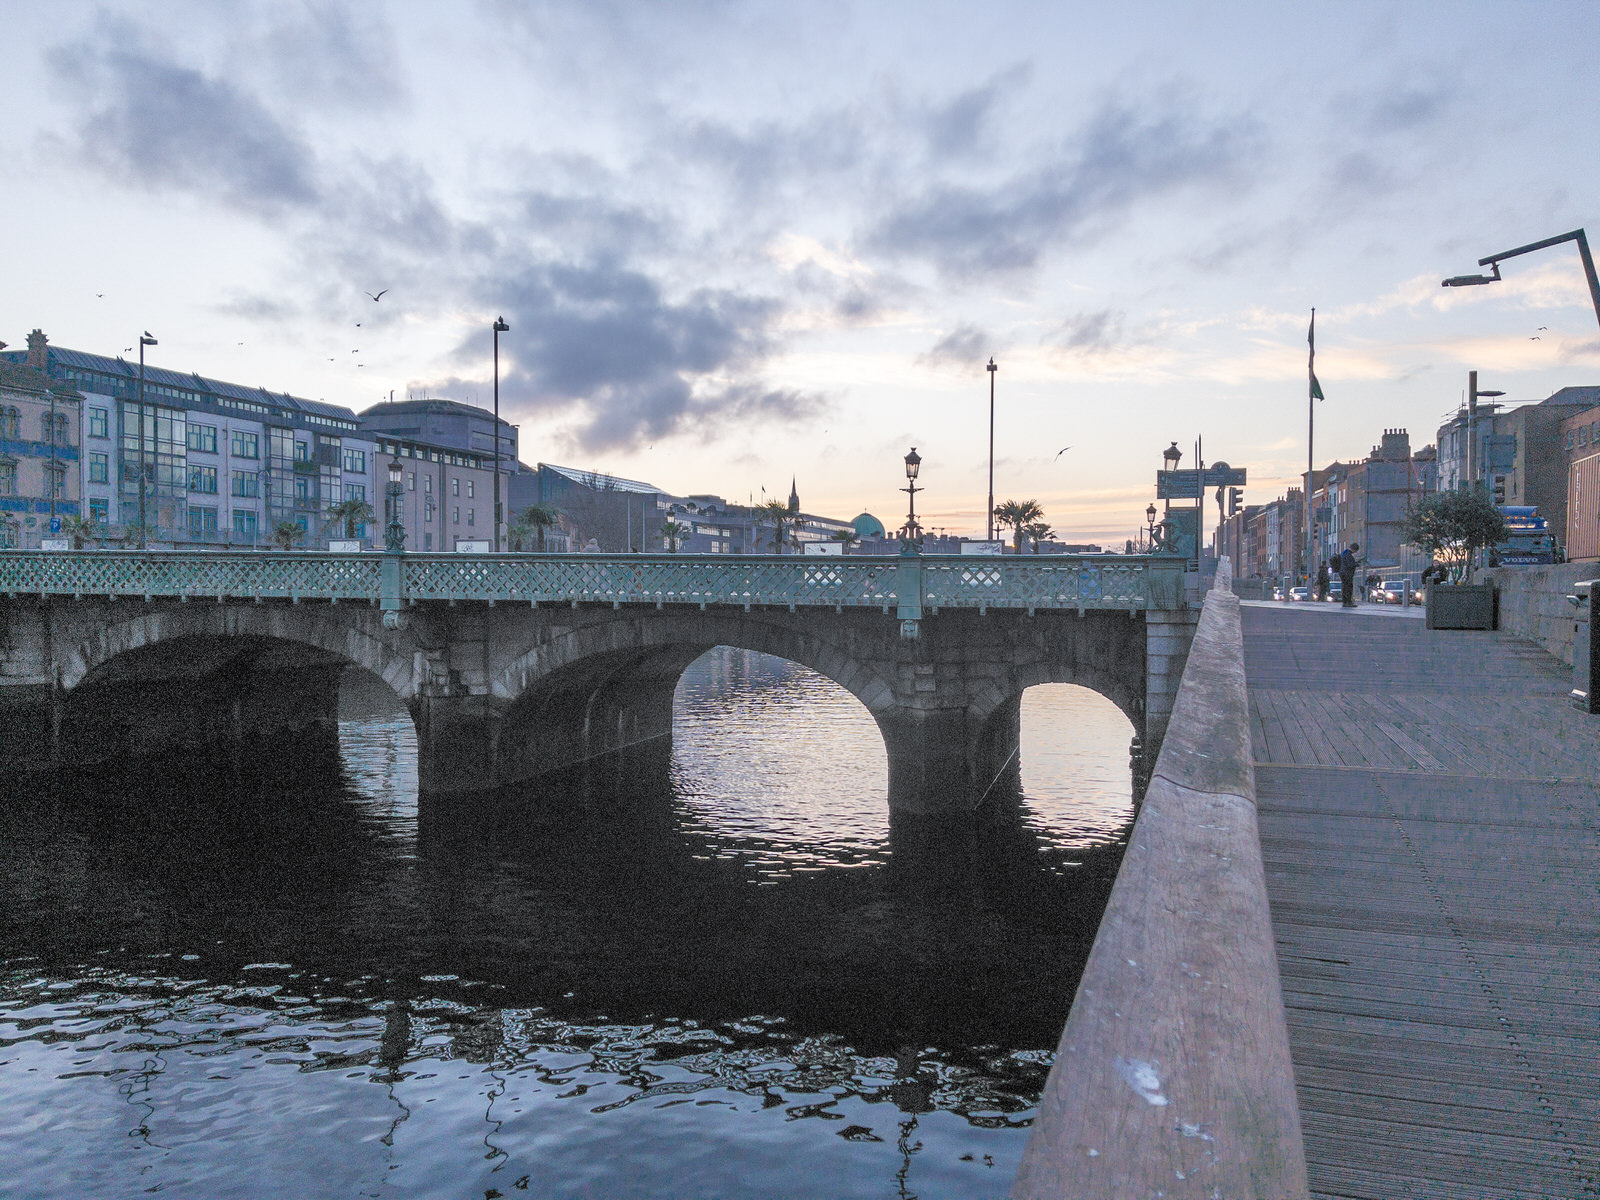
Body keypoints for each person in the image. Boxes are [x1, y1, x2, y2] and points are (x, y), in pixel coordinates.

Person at [1338, 542, 1361, 608]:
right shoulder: (1348, 555)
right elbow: (1349, 565)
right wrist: (1356, 564)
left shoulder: (1344, 553)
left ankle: (1345, 602)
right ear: (1354, 549)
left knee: (1344, 588)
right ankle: (1348, 602)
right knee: (1348, 588)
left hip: (1342, 572)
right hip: (1347, 574)